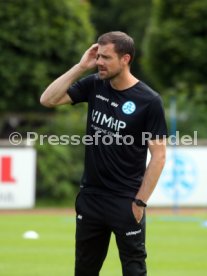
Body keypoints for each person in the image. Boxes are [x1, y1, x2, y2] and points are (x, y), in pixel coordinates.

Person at [40, 31, 167, 276]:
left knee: (134, 271)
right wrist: (80, 66)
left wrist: (139, 203)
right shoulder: (94, 84)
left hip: (126, 202)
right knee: (84, 270)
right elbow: (48, 99)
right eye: (98, 56)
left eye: (106, 57)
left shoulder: (149, 101)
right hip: (91, 198)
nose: (99, 62)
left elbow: (159, 157)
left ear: (125, 59)